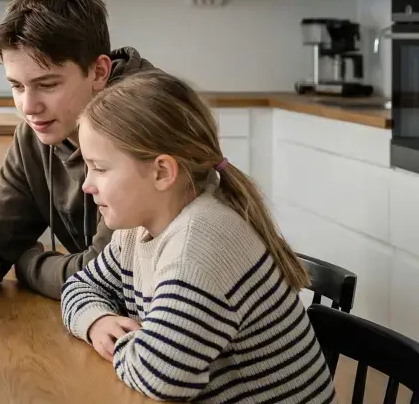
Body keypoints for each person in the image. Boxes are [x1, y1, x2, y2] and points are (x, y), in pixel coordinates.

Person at [61, 71, 336, 402]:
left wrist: (124, 343)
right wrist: (98, 320)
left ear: (162, 172)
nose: (87, 185)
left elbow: (162, 376)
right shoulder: (137, 231)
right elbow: (80, 286)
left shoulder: (201, 243)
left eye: (100, 168)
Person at [0, 0, 158, 314]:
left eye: (47, 85)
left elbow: (105, 276)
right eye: (17, 86)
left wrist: (26, 260)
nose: (29, 106)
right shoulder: (36, 135)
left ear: (99, 72)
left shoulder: (144, 129)